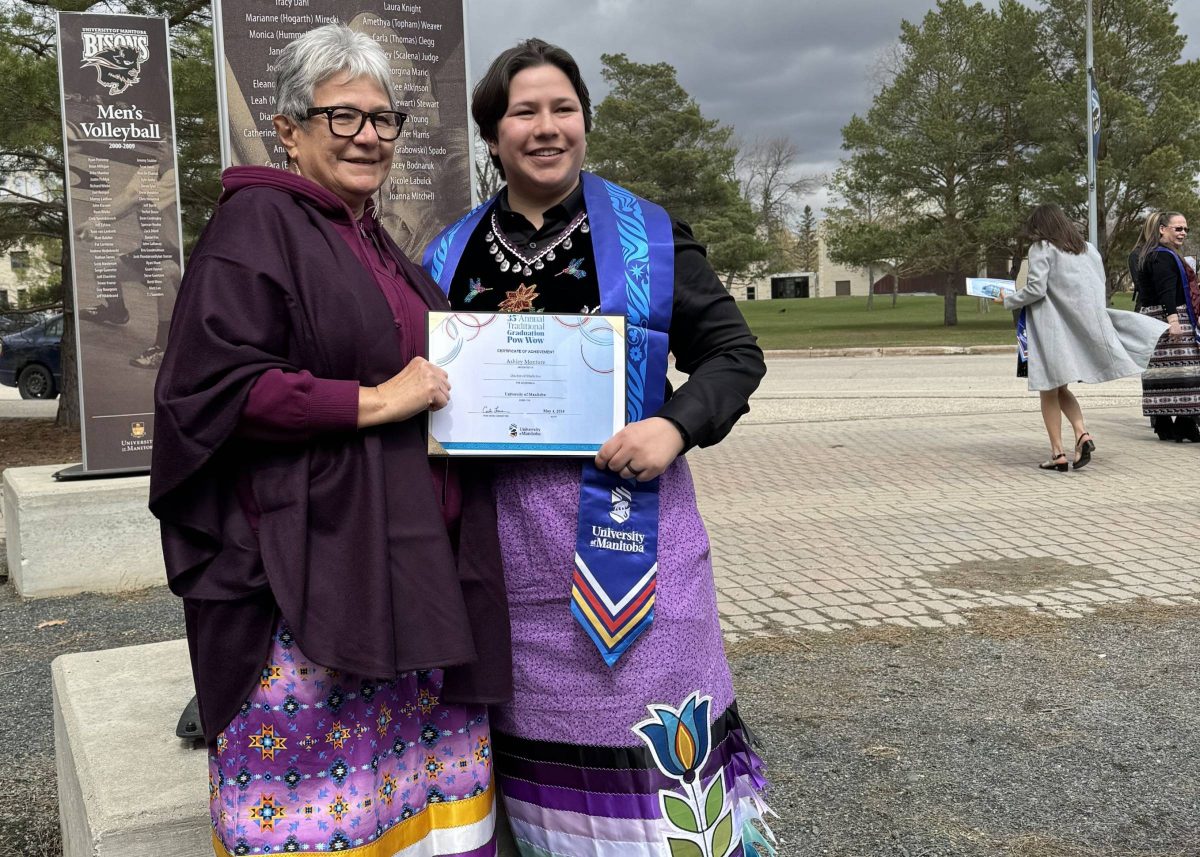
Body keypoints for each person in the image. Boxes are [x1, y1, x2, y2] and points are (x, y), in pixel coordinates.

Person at [149, 25, 511, 856]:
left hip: (402, 554)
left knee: (407, 789)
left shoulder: (369, 237)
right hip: (309, 567)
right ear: (288, 129)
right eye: (343, 116)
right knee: (319, 801)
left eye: (384, 120)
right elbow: (218, 385)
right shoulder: (258, 225)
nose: (369, 137)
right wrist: (378, 399)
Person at [424, 38, 773, 856]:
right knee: (536, 762)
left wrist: (675, 424)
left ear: (584, 121)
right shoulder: (447, 255)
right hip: (503, 547)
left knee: (657, 747)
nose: (547, 128)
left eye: (564, 110)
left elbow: (734, 354)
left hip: (635, 534)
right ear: (493, 134)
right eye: (524, 112)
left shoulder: (651, 237)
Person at [1003, 204, 1166, 470]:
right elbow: (1096, 285)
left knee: (1048, 388)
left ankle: (1058, 453)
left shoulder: (1042, 248)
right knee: (1061, 387)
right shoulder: (1088, 249)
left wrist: (1008, 299)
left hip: (1049, 327)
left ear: (1041, 227)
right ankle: (1081, 433)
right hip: (1077, 324)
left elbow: (1036, 289)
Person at [1128, 210, 1200, 442]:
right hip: (1167, 318)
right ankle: (1179, 423)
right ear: (1162, 229)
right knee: (1186, 373)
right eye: (1177, 228)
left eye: (1185, 229)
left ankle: (1177, 424)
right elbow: (1166, 290)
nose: (1183, 233)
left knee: (1169, 373)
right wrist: (1173, 321)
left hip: (1159, 317)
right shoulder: (1161, 256)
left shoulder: (1162, 254)